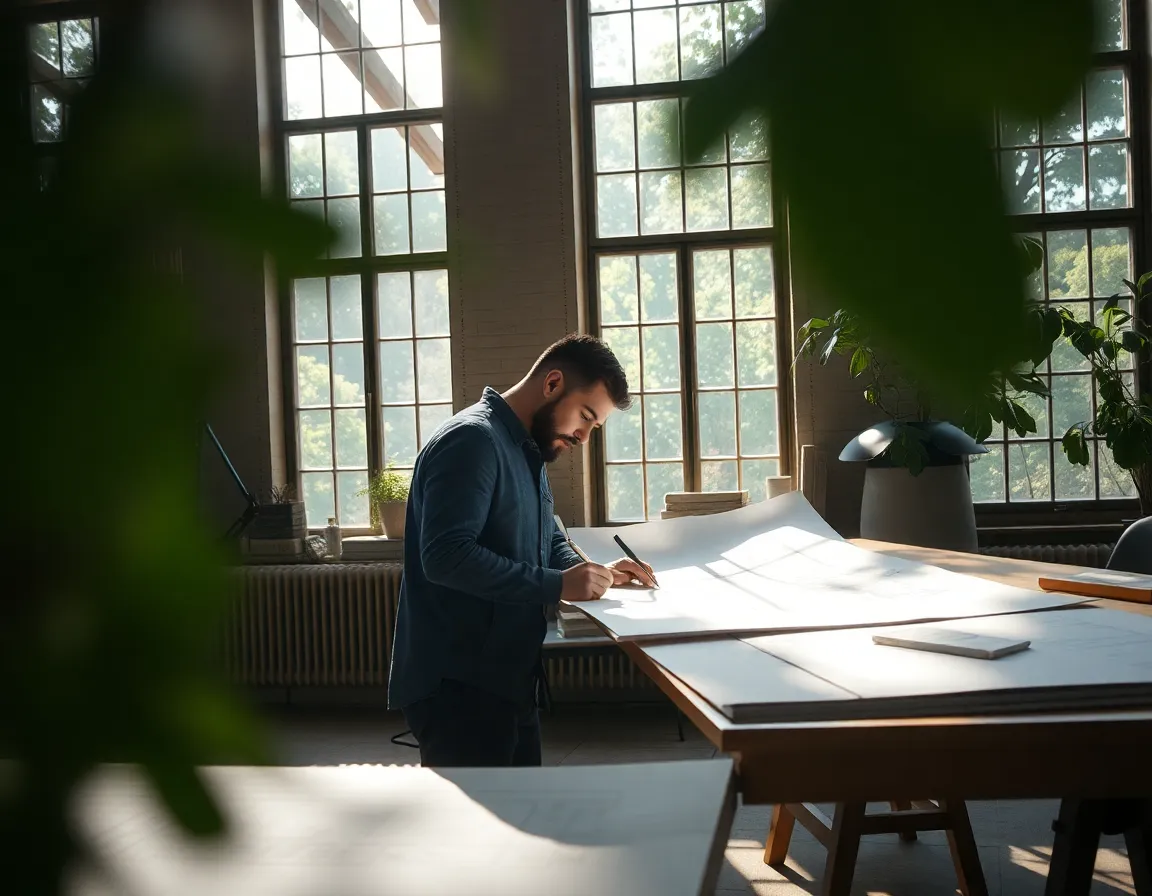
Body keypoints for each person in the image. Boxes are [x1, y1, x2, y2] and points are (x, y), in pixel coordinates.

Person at [388, 333, 657, 767]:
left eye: (595, 426)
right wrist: (557, 584)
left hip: (509, 677)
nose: (585, 437)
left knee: (524, 822)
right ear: (553, 384)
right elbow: (446, 556)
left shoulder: (528, 446)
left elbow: (545, 538)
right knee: (478, 832)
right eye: (585, 416)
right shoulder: (471, 441)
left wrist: (591, 571)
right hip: (459, 686)